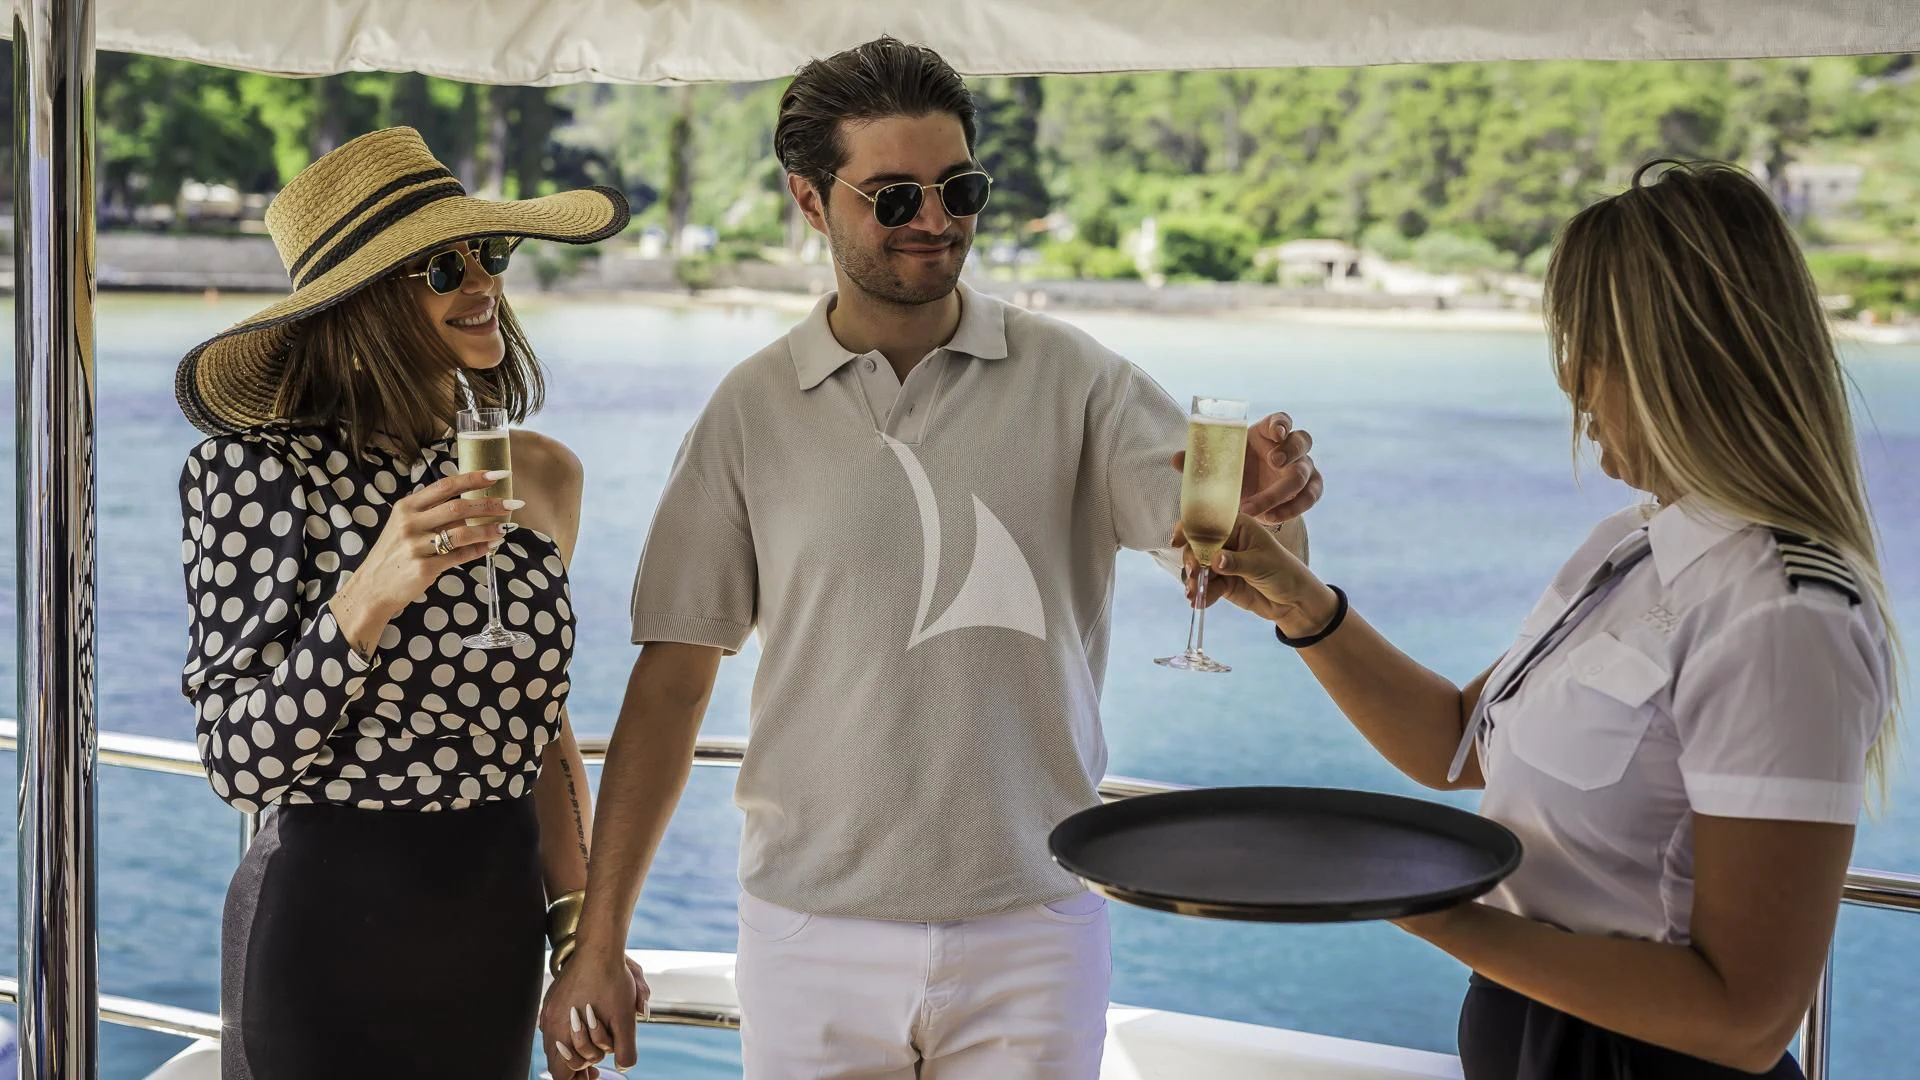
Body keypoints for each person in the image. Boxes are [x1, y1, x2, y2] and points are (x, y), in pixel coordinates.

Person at [539, 36, 1321, 1079]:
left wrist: (1274, 506)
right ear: (811, 204)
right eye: (896, 197)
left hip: (1034, 926)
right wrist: (598, 945)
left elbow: (1238, 558)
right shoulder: (748, 412)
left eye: (960, 188)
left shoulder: (1076, 379)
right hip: (806, 932)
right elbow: (673, 687)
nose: (939, 220)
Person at [1180, 160, 1900, 1079]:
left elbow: (1745, 1021)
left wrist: (1422, 905)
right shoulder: (1629, 548)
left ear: (1678, 358)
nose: (1569, 380)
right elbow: (1456, 744)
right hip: (1528, 1036)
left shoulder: (1784, 614)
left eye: (1589, 346)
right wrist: (1305, 608)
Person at [173, 126, 642, 1078]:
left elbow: (541, 724)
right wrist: (371, 593)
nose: (484, 286)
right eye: (441, 268)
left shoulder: (541, 475)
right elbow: (237, 762)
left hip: (494, 929)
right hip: (324, 934)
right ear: (362, 304)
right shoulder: (256, 474)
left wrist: (578, 933)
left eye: (491, 256)